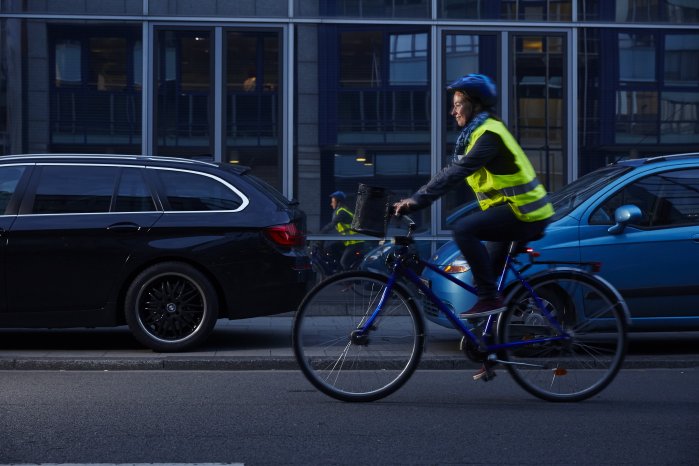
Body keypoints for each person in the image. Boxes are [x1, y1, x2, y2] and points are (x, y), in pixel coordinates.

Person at [393, 73, 554, 320]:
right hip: (513, 211)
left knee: (463, 230)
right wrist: (415, 197)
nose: (453, 112)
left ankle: (490, 299)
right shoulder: (475, 134)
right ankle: (490, 345)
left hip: (525, 213)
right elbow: (449, 170)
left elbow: (459, 171)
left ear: (475, 103)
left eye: (457, 104)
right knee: (486, 278)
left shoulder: (490, 135)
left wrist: (419, 201)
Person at [320, 191, 365, 271]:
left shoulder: (342, 212)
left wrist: (320, 233)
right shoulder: (340, 210)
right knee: (330, 248)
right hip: (348, 241)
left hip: (355, 242)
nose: (331, 204)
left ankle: (349, 281)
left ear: (338, 202)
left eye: (333, 202)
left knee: (343, 262)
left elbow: (331, 225)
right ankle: (339, 270)